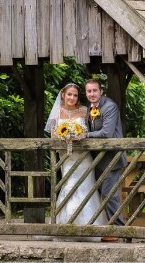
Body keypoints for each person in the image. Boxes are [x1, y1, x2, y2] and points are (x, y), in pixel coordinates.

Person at [44, 83, 106, 241]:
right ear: (63, 95)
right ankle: (67, 226)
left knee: (86, 188)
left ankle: (89, 227)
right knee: (69, 187)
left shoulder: (85, 110)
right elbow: (53, 135)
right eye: (69, 94)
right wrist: (64, 137)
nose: (72, 98)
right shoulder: (57, 112)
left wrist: (79, 136)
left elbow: (89, 131)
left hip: (83, 157)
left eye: (75, 95)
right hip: (67, 158)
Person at [85, 78, 127, 242]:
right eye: (89, 91)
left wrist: (85, 135)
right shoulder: (88, 108)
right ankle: (111, 228)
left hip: (112, 158)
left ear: (101, 91)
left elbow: (106, 133)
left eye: (95, 90)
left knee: (109, 195)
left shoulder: (110, 107)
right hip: (98, 159)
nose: (92, 94)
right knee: (103, 195)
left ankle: (119, 230)